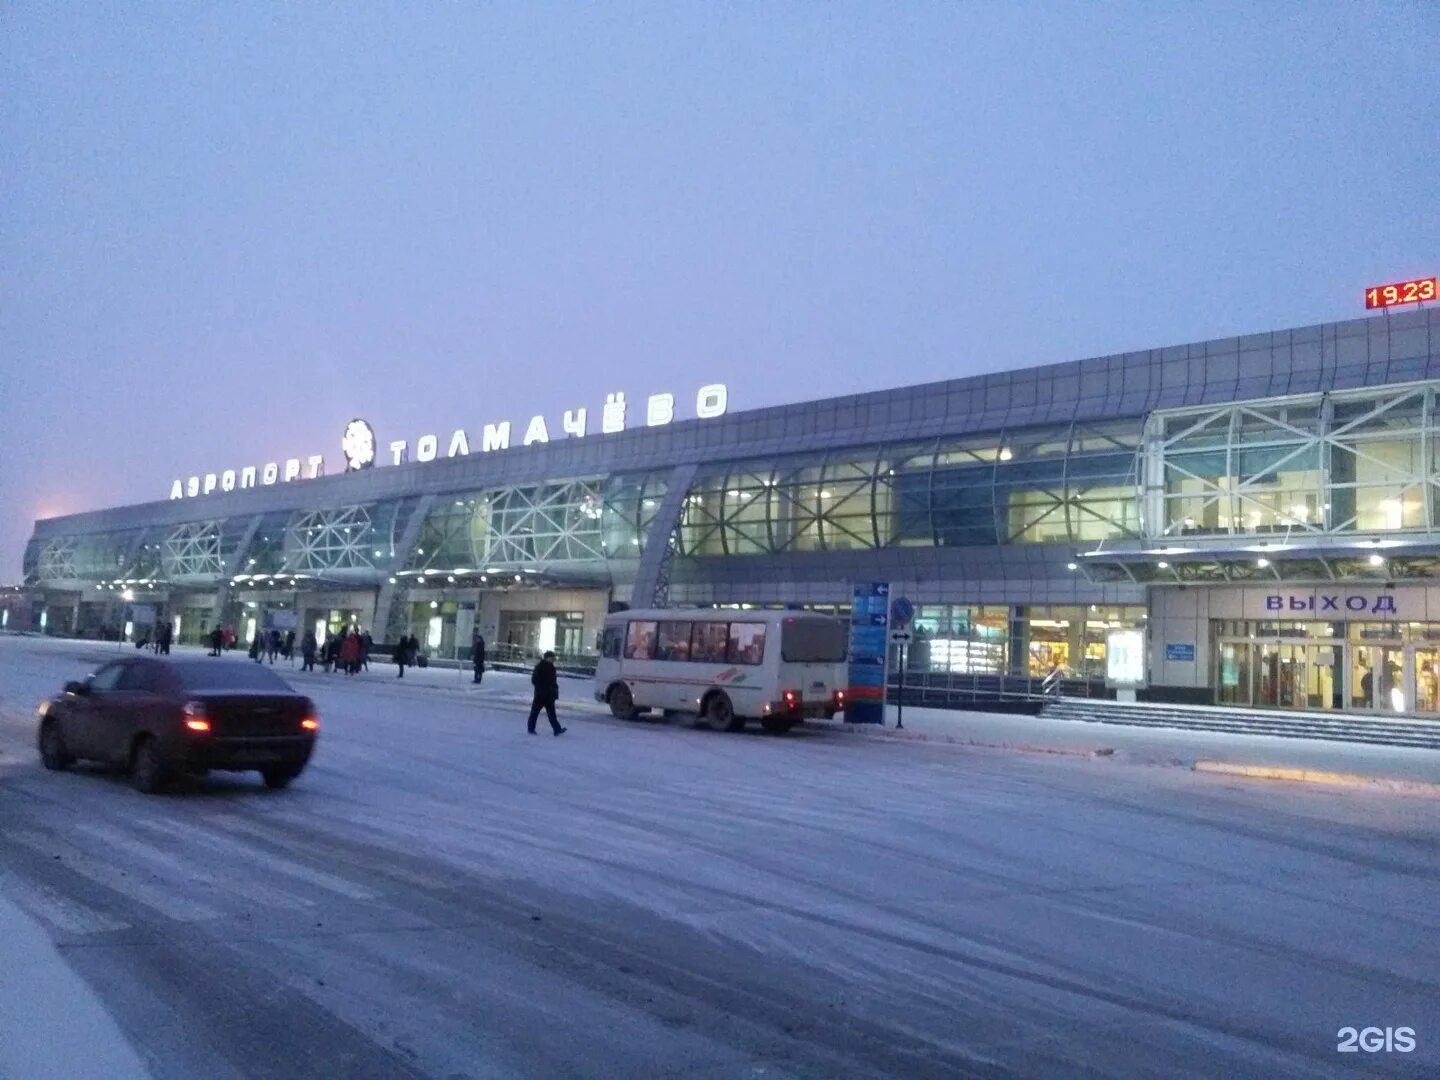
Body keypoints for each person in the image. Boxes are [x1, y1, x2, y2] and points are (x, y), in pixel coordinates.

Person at [527, 651, 566, 736]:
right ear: (547, 658)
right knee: (536, 713)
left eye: (553, 659)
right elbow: (534, 680)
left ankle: (557, 729)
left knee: (551, 714)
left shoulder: (550, 668)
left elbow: (552, 681)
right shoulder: (540, 667)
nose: (553, 660)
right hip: (541, 694)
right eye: (551, 658)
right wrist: (542, 688)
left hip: (548, 695)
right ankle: (531, 729)